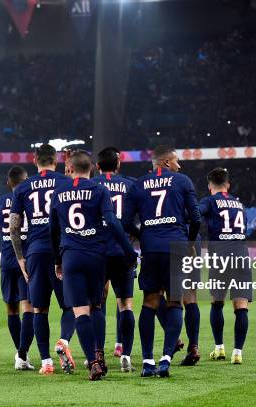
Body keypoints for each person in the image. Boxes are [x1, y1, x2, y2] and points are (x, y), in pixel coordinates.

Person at [49, 151, 137, 380]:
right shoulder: (99, 190)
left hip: (71, 256)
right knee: (96, 306)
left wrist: (58, 260)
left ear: (69, 167)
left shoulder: (59, 192)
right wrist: (129, 251)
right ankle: (102, 351)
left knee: (80, 312)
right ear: (91, 168)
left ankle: (94, 362)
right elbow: (113, 222)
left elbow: (53, 231)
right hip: (97, 256)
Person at [124, 145, 201, 378]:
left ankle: (147, 361)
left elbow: (125, 221)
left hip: (151, 248)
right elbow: (195, 219)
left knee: (149, 302)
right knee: (175, 302)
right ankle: (166, 358)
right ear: (166, 162)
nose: (179, 165)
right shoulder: (183, 181)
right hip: (176, 246)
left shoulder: (138, 184)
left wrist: (143, 235)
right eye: (176, 161)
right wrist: (188, 243)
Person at [9, 144, 76, 376]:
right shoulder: (66, 183)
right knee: (70, 306)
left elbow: (14, 228)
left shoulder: (22, 188)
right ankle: (64, 341)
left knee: (39, 310)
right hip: (62, 251)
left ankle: (46, 361)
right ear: (55, 160)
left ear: (34, 159)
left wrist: (20, 258)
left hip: (35, 252)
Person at [92, 146, 139, 372]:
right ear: (118, 165)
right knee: (126, 304)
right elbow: (131, 221)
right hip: (122, 250)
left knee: (97, 304)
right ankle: (126, 356)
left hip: (97, 252)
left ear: (98, 166)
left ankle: (97, 354)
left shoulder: (91, 186)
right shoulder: (130, 185)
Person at [199, 167, 251, 365]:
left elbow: (196, 214)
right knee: (241, 307)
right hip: (240, 255)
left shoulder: (209, 201)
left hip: (220, 256)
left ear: (210, 185)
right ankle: (237, 352)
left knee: (217, 303)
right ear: (227, 184)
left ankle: (219, 348)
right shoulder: (239, 204)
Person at [0, 166, 35, 370]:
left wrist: (4, 227)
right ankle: (23, 354)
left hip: (7, 260)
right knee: (29, 309)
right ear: (26, 181)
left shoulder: (0, 201)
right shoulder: (32, 198)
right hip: (27, 259)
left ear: (9, 183)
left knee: (11, 309)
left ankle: (19, 353)